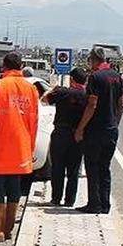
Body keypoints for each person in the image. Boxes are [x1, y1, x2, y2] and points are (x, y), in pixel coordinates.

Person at [0, 52, 39, 242]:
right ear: (21, 66)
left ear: (4, 67)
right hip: (21, 148)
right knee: (14, 189)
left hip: (2, 148)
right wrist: (30, 148)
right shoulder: (31, 90)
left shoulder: (0, 87)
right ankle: (8, 229)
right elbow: (34, 122)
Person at [74, 47, 123, 215]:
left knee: (92, 167)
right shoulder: (116, 77)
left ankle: (94, 203)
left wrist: (80, 128)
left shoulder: (95, 77)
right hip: (111, 130)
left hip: (96, 130)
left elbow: (92, 104)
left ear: (93, 60)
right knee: (105, 167)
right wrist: (115, 124)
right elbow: (121, 104)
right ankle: (105, 204)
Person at [43, 67, 88, 207]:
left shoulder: (62, 92)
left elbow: (44, 99)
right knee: (74, 170)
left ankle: (56, 198)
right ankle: (70, 201)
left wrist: (53, 88)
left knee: (57, 167)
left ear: (72, 79)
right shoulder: (87, 95)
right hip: (78, 135)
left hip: (61, 133)